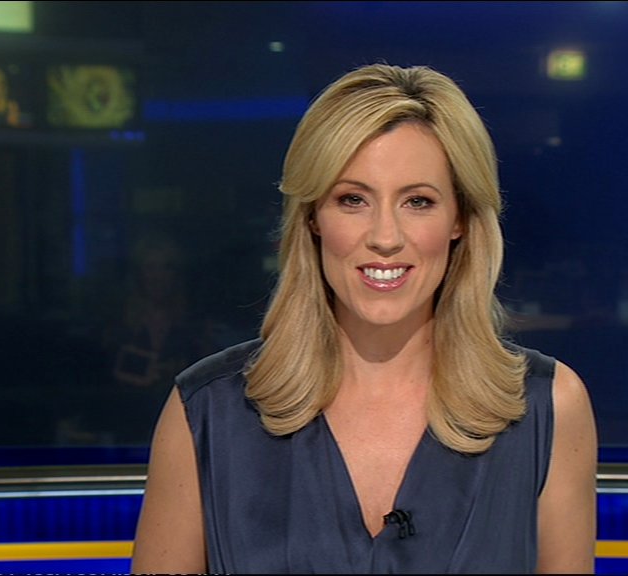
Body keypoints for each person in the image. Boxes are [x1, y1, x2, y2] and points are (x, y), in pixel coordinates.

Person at [131, 63, 597, 574]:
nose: (385, 237)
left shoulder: (549, 408)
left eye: (418, 201)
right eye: (352, 200)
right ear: (313, 216)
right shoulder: (206, 413)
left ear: (460, 219)